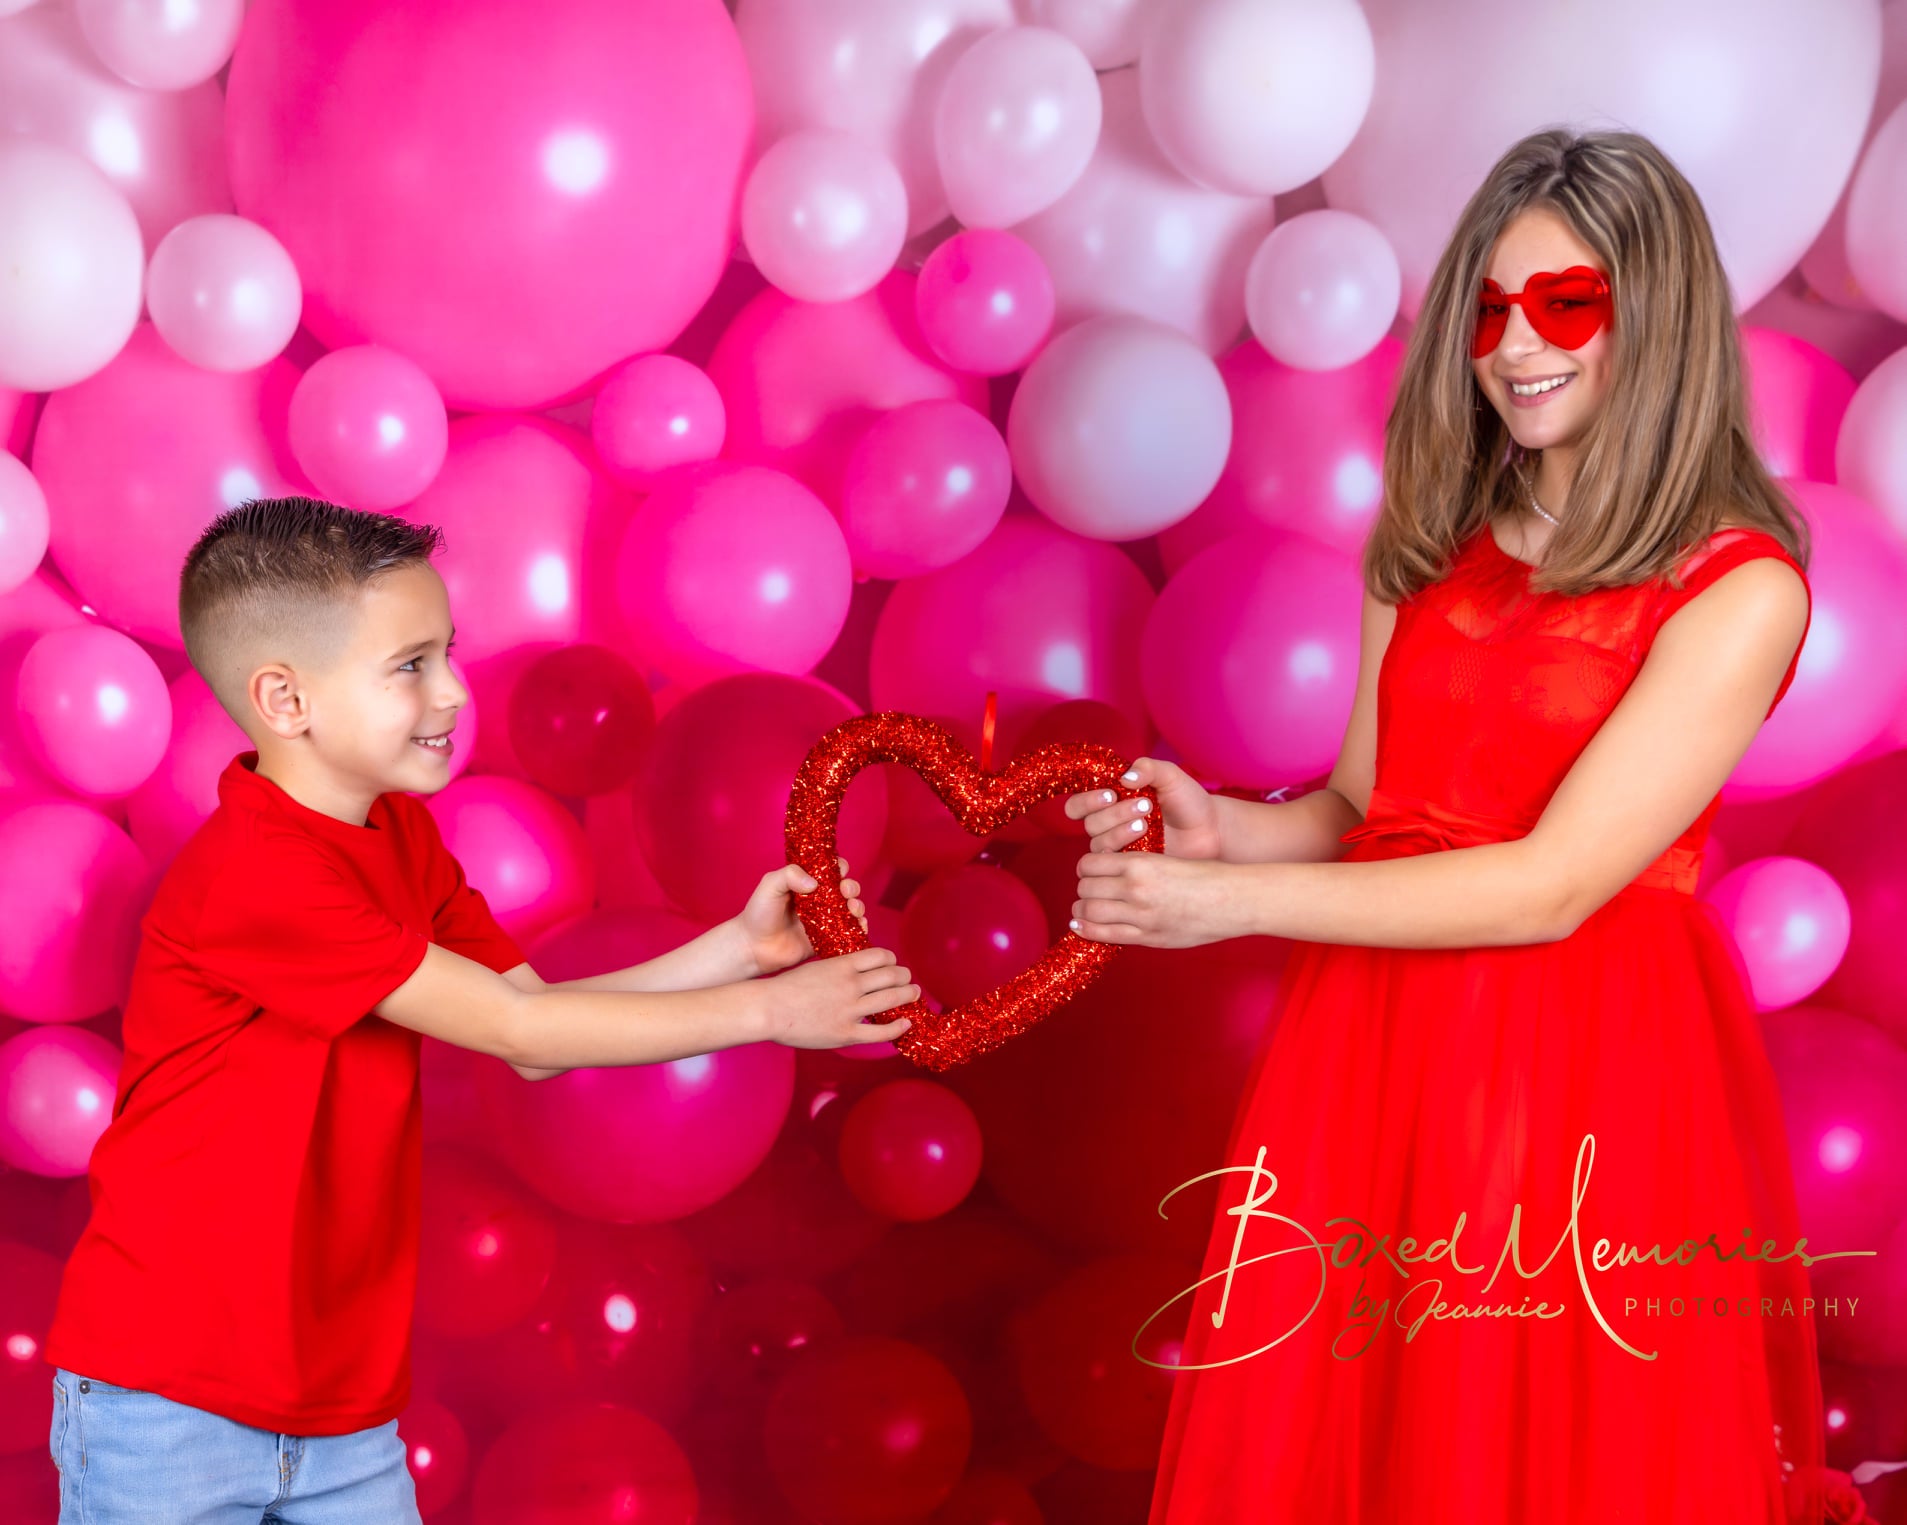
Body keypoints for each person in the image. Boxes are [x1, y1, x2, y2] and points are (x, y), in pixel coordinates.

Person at [1066, 129, 1840, 1524]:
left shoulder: (1738, 586)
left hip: (1583, 1077)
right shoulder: (1431, 533)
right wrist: (1218, 839)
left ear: (1651, 320)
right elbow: (1365, 810)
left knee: (1542, 1450)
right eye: (1488, 307)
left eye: (1564, 305)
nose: (1513, 345)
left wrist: (1227, 911)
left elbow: (1546, 887)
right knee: (1366, 1440)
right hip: (1377, 1055)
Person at [42, 496, 918, 1522]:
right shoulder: (257, 874)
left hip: (335, 1409)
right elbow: (520, 1031)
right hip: (172, 1406)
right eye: (410, 665)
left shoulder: (403, 845)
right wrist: (770, 1015)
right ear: (284, 700)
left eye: (447, 653)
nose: (455, 690)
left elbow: (529, 1027)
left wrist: (739, 949)